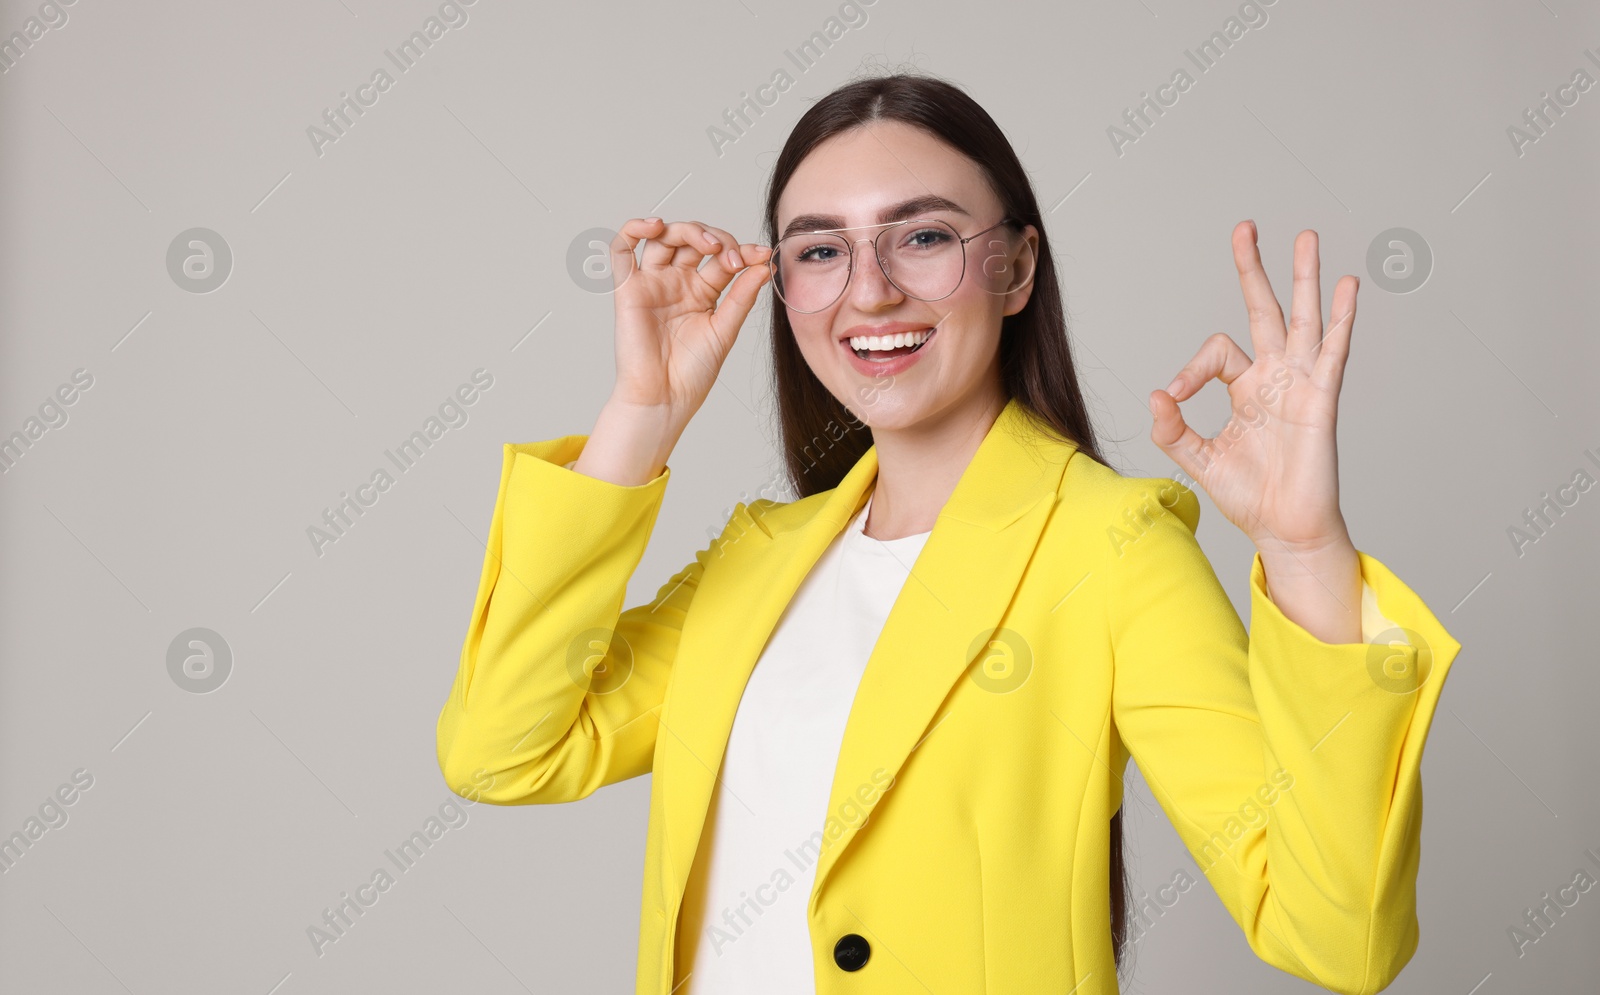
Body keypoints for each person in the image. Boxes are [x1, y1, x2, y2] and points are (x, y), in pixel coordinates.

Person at [435, 73, 1460, 995]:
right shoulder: (755, 560)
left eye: (922, 236)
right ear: (782, 287)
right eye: (821, 249)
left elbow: (1339, 939)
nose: (869, 287)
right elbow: (504, 751)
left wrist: (1304, 551)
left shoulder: (1111, 547)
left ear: (1015, 271)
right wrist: (640, 415)